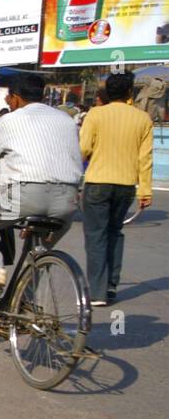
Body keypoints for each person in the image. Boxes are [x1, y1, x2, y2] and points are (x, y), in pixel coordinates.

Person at [0, 73, 84, 296]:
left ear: (16, 98)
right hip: (67, 201)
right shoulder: (67, 120)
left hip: (26, 196)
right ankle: (23, 303)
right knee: (36, 255)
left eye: (8, 98)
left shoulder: (9, 120)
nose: (8, 103)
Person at [79, 71, 153, 307]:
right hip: (126, 186)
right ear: (130, 92)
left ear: (107, 93)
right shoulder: (143, 119)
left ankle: (98, 293)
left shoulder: (95, 114)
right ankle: (111, 286)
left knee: (96, 235)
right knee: (114, 232)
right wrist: (146, 191)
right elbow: (146, 158)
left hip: (98, 182)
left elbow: (83, 148)